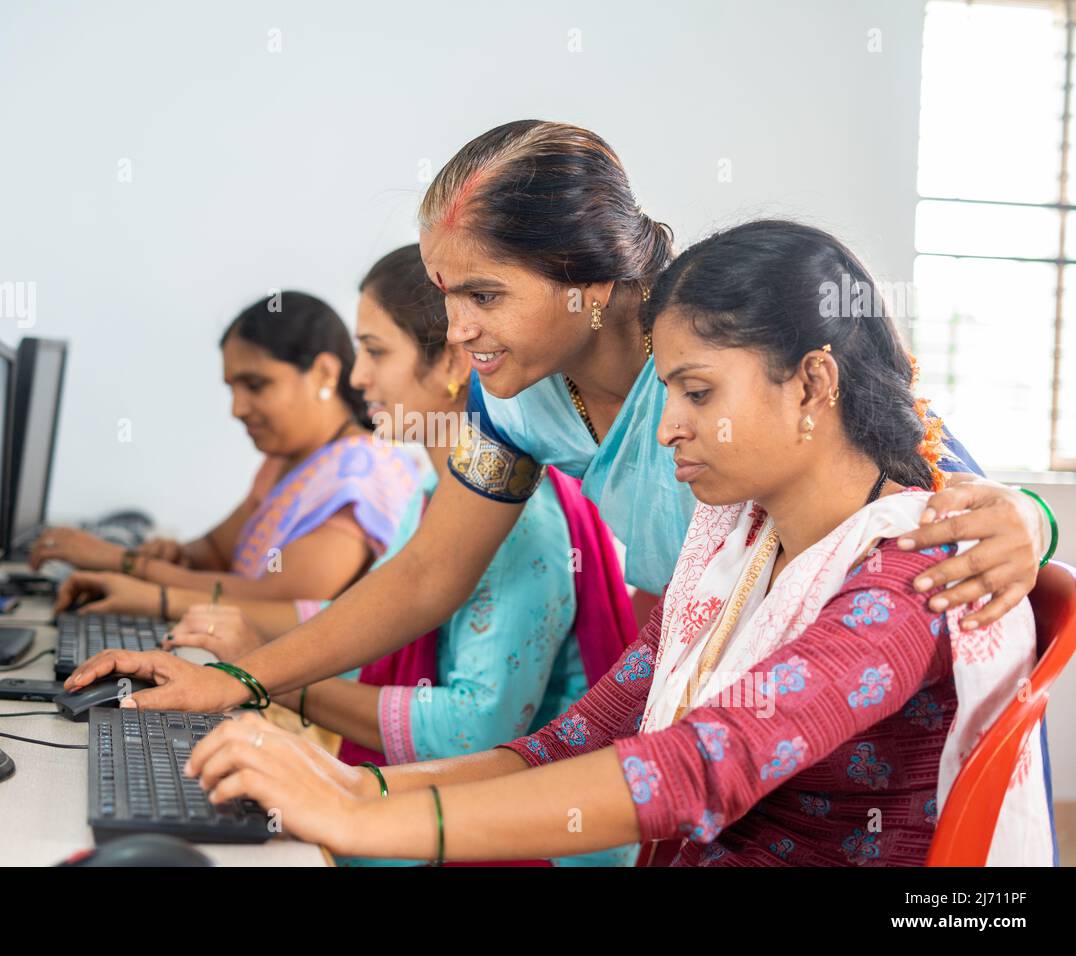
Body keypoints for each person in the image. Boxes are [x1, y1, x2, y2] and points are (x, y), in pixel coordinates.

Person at [61, 120, 1051, 718]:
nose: (456, 330)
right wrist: (241, 676)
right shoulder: (514, 398)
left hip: (824, 700)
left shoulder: (728, 346)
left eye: (483, 294)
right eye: (447, 295)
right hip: (694, 676)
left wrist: (1032, 518)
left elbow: (928, 463)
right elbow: (423, 574)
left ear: (590, 280)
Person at [173, 220, 1053, 866]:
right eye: (667, 391)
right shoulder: (735, 544)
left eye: (699, 393)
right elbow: (581, 735)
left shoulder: (913, 574)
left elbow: (700, 768)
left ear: (813, 382)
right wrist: (356, 791)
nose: (665, 428)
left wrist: (365, 821)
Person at [166, 245, 641, 866]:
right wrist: (236, 657)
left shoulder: (523, 518)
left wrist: (265, 681)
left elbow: (477, 731)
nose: (357, 378)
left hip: (512, 834)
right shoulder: (430, 490)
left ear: (449, 359)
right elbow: (363, 609)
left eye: (375, 351)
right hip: (441, 800)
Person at [33, 291, 420, 620]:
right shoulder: (285, 461)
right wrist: (172, 555)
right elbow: (215, 552)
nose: (237, 408)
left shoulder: (360, 474)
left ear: (323, 373)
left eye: (255, 384)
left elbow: (278, 601)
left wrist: (123, 563)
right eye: (232, 388)